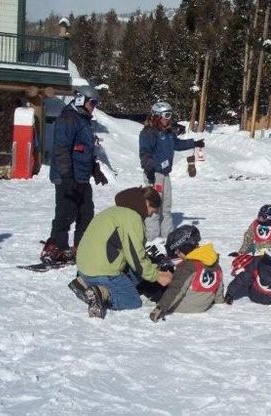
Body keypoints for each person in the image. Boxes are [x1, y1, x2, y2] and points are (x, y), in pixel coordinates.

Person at [67, 186, 173, 319]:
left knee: (137, 277)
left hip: (84, 268)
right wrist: (157, 276)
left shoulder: (115, 211)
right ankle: (101, 293)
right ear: (146, 203)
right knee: (132, 300)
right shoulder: (133, 218)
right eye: (153, 210)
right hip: (102, 271)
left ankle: (84, 283)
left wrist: (154, 270)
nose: (151, 214)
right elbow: (136, 258)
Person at [41, 85, 108, 264]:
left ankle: (81, 247)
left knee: (86, 213)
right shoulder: (68, 118)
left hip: (81, 176)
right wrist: (67, 176)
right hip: (66, 176)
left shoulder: (84, 120)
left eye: (96, 103)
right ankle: (55, 247)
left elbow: (84, 150)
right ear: (80, 99)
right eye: (92, 102)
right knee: (65, 212)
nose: (94, 106)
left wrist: (95, 169)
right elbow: (62, 149)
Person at [139, 101, 205, 244]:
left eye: (170, 115)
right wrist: (149, 170)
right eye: (166, 115)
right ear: (157, 115)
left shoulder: (168, 133)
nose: (169, 118)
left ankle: (167, 236)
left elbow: (177, 144)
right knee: (154, 207)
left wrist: (194, 143)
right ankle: (151, 239)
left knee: (166, 206)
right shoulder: (149, 132)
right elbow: (145, 153)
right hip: (154, 174)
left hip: (165, 174)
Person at [146, 225, 224, 322]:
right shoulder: (214, 262)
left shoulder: (187, 266)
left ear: (185, 248)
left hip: (186, 306)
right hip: (204, 304)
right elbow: (219, 285)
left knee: (161, 286)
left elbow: (176, 290)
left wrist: (160, 308)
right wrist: (219, 302)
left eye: (177, 251)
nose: (177, 254)